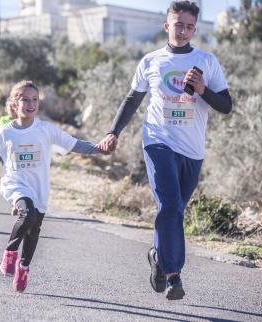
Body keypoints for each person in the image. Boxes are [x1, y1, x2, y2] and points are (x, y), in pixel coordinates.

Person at [99, 1, 232, 301]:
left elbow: (226, 105)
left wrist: (202, 90)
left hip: (192, 150)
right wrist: (113, 132)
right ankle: (173, 275)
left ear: (194, 29)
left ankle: (158, 258)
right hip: (158, 141)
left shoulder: (206, 62)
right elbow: (132, 99)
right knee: (170, 204)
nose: (183, 31)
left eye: (189, 26)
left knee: (173, 211)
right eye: (178, 24)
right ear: (166, 25)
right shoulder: (151, 61)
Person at [0, 80, 103, 293]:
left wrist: (99, 149)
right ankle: (10, 251)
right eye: (25, 99)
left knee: (34, 231)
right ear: (15, 104)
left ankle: (23, 268)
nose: (30, 103)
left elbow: (74, 144)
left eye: (34, 99)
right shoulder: (5, 133)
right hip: (15, 185)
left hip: (39, 189)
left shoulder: (45, 130)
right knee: (28, 215)